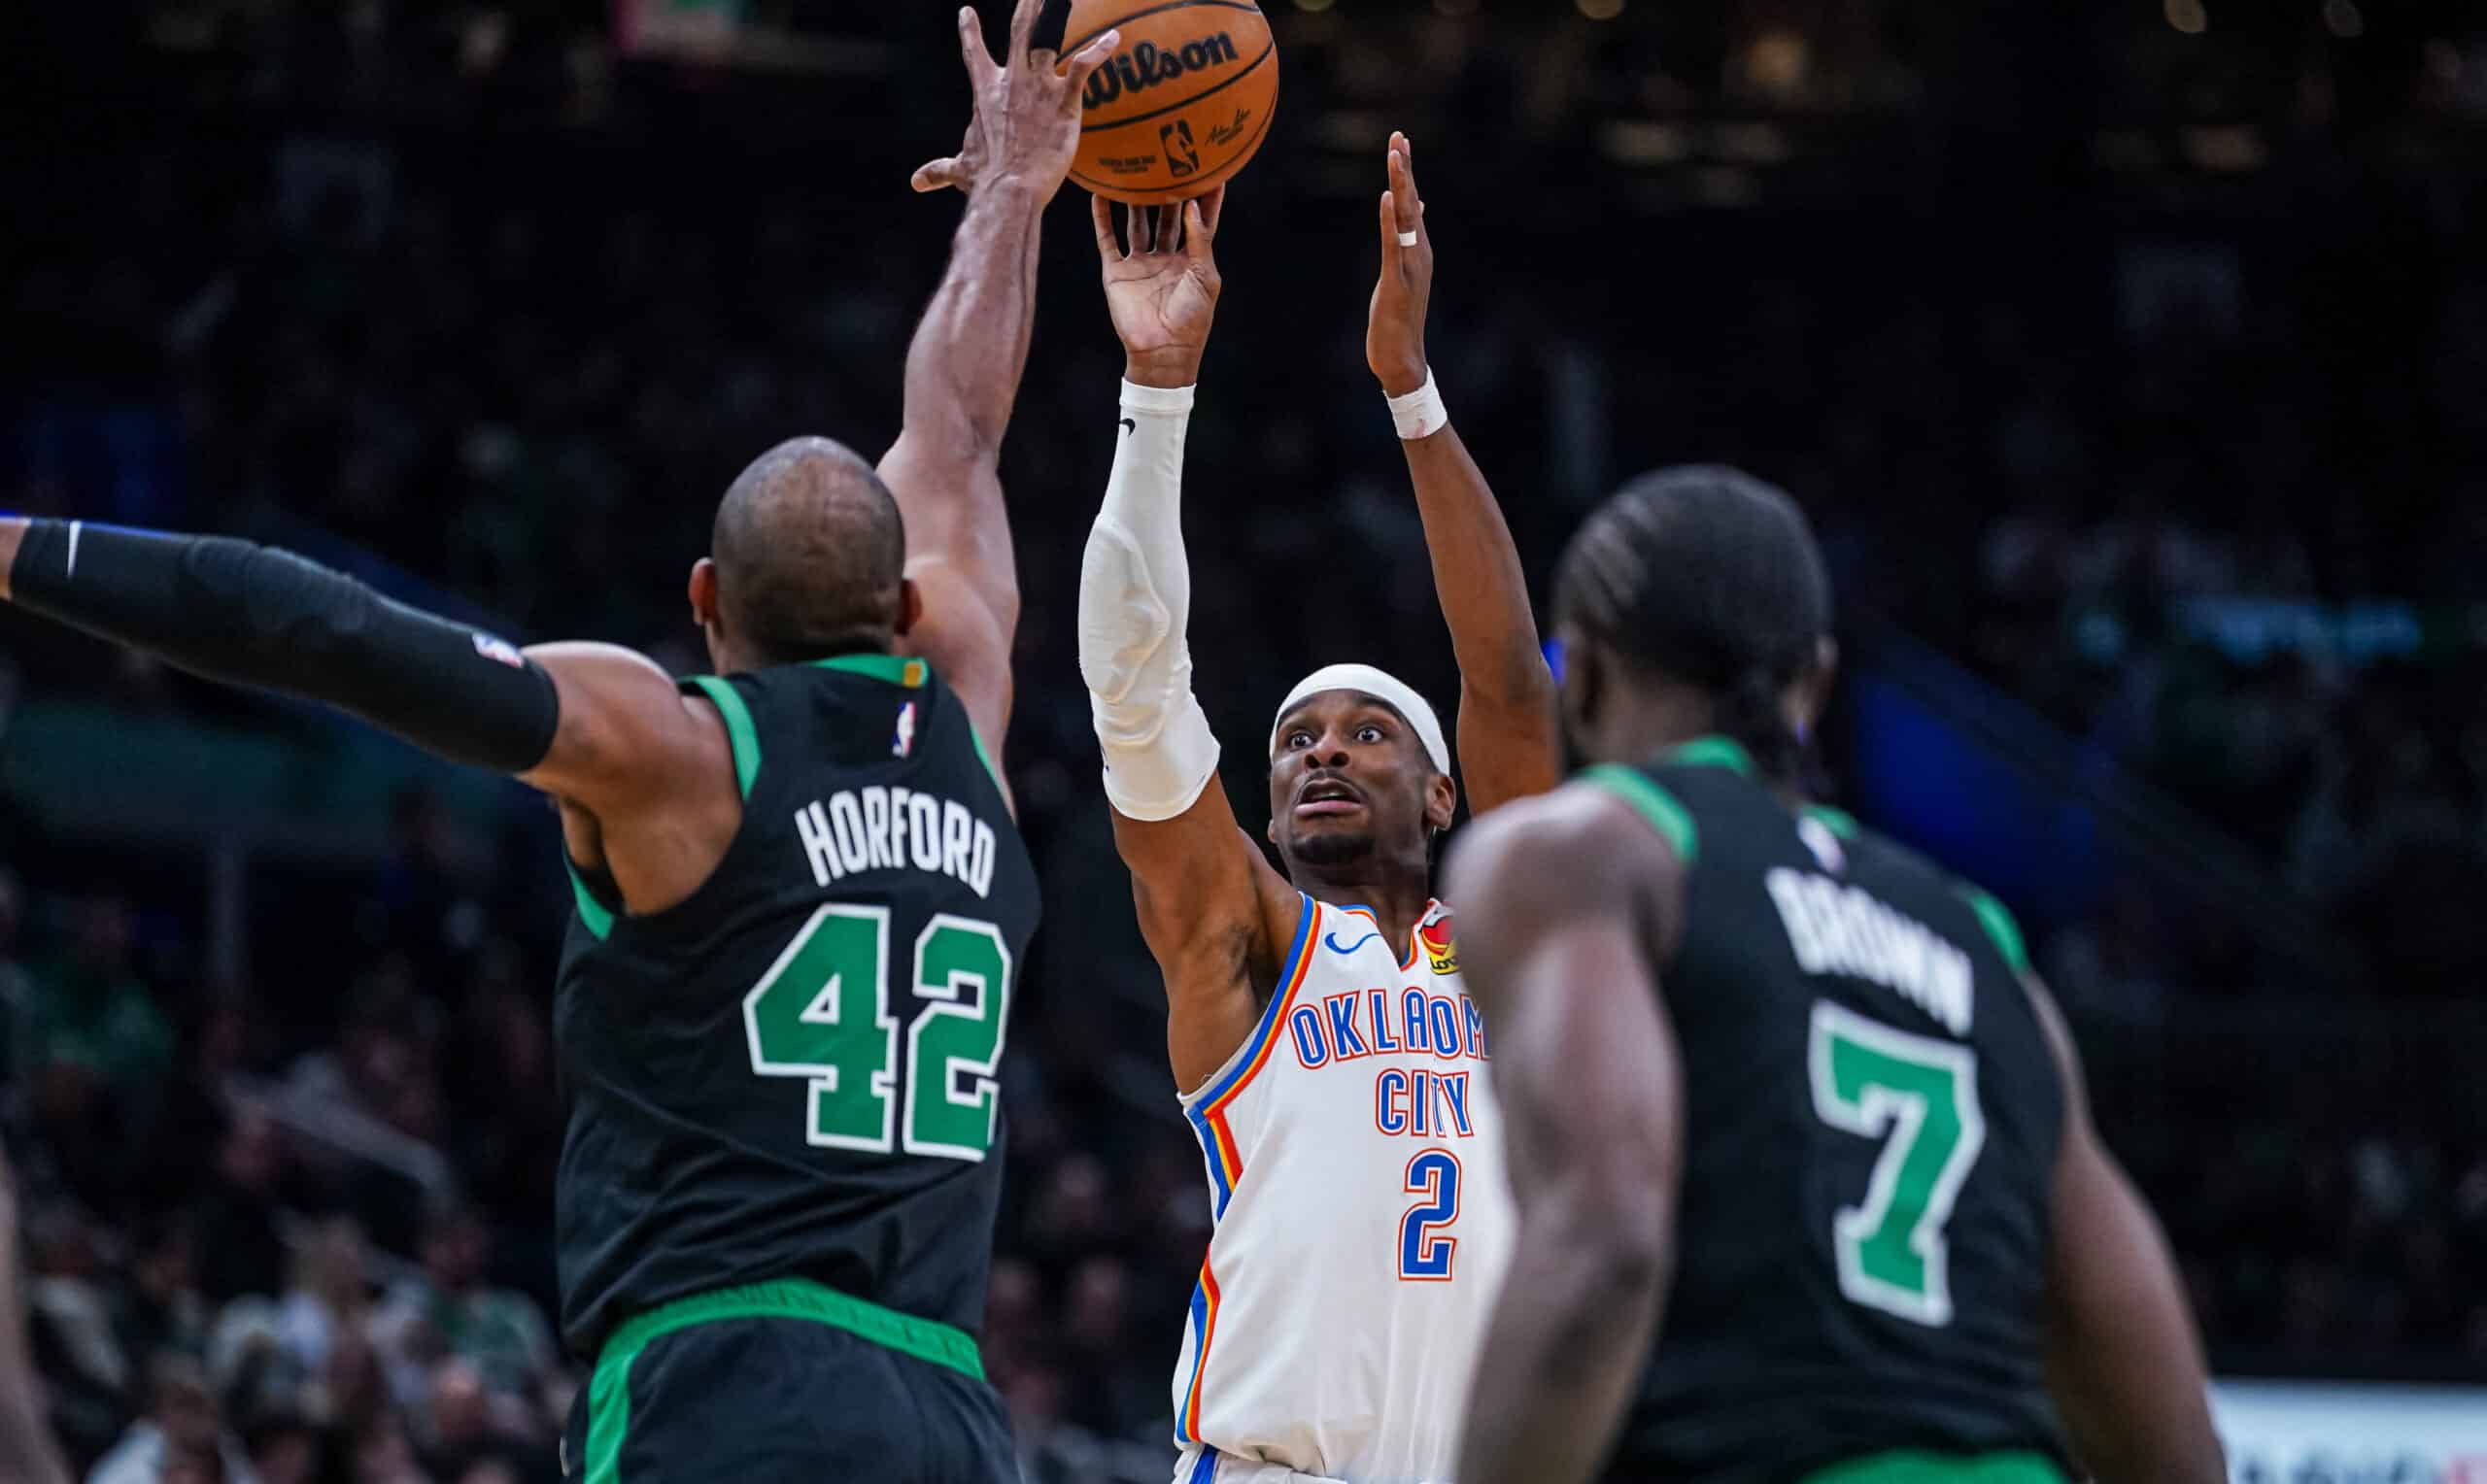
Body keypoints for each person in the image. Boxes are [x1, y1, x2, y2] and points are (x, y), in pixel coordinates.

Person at [0, 2, 1121, 1476]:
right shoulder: (968, 719)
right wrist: (1010, 199)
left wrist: (18, 548)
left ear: (706, 601)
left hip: (724, 1384)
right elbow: (961, 432)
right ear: (907, 603)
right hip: (950, 1408)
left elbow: (319, 631)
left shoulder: (676, 751)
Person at [1446, 466, 2228, 1484]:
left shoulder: (1587, 852)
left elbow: (1606, 1242)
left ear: (1581, 677)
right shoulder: (1982, 938)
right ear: (1811, 684)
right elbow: (2162, 1420)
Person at [1075, 134, 1557, 1484]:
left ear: (1445, 790)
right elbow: (1133, 689)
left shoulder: (1519, 954)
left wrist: (1409, 391)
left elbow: (1509, 682)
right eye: (1294, 739)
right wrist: (1156, 394)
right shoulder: (1250, 942)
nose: (1321, 754)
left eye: (1367, 733)